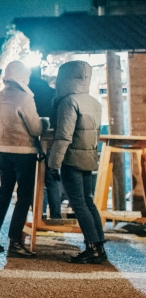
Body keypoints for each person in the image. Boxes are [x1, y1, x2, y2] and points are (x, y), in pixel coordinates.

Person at [46, 61, 106, 264]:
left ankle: (92, 247)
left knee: (79, 204)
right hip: (89, 158)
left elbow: (63, 136)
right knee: (88, 202)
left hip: (71, 160)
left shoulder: (68, 102)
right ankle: (100, 246)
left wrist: (53, 164)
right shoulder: (94, 102)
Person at [0, 61, 46, 258]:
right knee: (24, 197)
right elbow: (35, 128)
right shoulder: (24, 97)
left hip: (4, 151)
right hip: (24, 152)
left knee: (4, 194)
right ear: (21, 75)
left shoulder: (0, 95)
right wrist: (45, 123)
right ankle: (15, 242)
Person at [30, 68, 61, 220]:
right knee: (52, 179)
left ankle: (38, 215)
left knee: (34, 180)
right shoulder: (52, 93)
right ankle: (55, 216)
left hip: (32, 140)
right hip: (51, 140)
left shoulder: (27, 94)